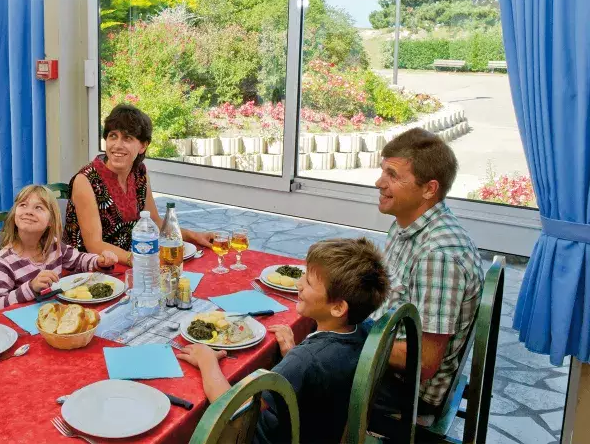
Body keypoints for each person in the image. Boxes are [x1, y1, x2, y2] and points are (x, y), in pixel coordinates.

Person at [176, 238, 390, 443]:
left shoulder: (305, 360)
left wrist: (207, 362)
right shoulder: (362, 329)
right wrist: (291, 352)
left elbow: (235, 412)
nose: (299, 283)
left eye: (308, 282)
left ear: (338, 308)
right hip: (321, 429)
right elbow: (316, 380)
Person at [371, 128, 483, 418]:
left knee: (303, 369)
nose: (379, 182)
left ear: (429, 189)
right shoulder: (407, 223)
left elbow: (423, 362)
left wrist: (352, 340)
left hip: (407, 393)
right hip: (389, 360)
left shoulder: (438, 256)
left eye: (393, 176)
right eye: (383, 171)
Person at [65, 104, 213, 265]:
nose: (117, 145)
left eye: (127, 138)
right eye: (113, 136)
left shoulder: (139, 173)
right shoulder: (86, 180)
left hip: (130, 264)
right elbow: (94, 244)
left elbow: (155, 222)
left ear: (143, 146)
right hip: (91, 270)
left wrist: (194, 236)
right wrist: (138, 260)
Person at [0, 185, 118, 314]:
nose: (29, 211)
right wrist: (30, 287)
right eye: (23, 205)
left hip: (54, 315)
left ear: (50, 221)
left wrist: (99, 261)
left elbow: (79, 260)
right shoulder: (4, 261)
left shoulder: (54, 246)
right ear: (14, 214)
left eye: (38, 208)